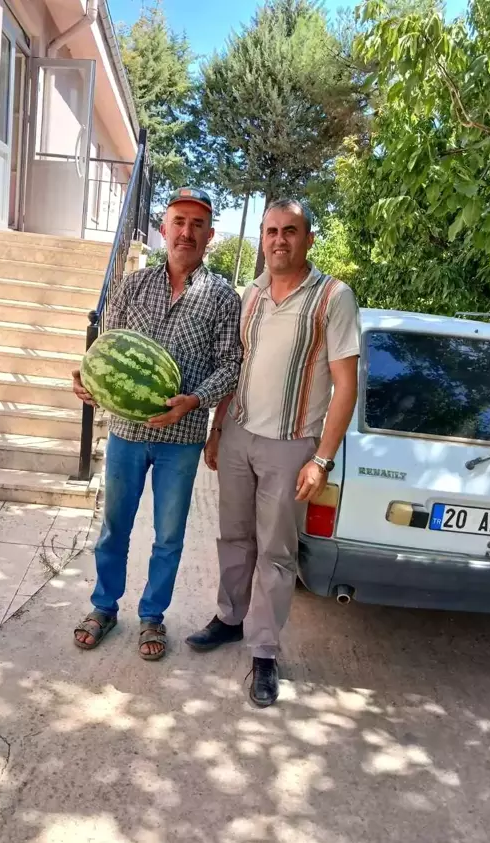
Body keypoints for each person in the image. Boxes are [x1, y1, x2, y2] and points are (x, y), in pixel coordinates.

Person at [187, 198, 360, 707]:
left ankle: (264, 650)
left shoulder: (334, 297)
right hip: (239, 433)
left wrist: (321, 459)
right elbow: (239, 368)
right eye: (271, 232)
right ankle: (229, 618)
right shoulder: (253, 293)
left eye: (290, 231)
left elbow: (345, 385)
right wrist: (218, 429)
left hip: (292, 446)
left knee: (277, 551)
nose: (279, 240)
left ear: (308, 238)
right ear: (262, 238)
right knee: (234, 537)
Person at [72, 187, 242, 660]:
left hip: (182, 438)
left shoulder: (223, 297)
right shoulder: (135, 285)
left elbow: (231, 364)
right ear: (164, 228)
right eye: (179, 222)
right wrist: (87, 378)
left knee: (168, 536)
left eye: (197, 225)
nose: (187, 232)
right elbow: (106, 348)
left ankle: (152, 617)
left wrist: (196, 401)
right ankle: (104, 607)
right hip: (127, 431)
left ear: (210, 235)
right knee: (114, 528)